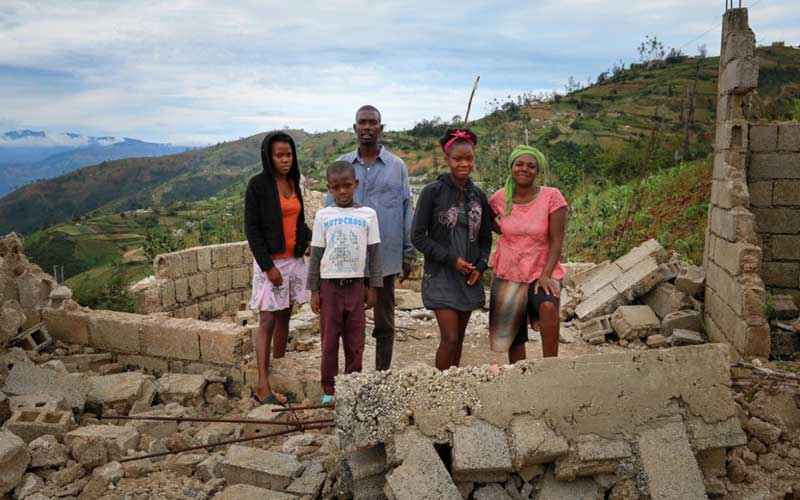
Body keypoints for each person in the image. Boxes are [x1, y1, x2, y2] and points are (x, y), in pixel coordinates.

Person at [333, 105, 416, 371]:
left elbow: (406, 209)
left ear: (380, 127)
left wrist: (408, 253)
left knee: (384, 320)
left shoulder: (397, 166)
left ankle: (382, 374)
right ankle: (353, 375)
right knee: (349, 320)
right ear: (355, 128)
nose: (367, 127)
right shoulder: (343, 165)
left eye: (372, 122)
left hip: (385, 258)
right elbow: (329, 211)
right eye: (362, 122)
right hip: (349, 259)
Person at [411, 129, 492, 370]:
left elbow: (485, 237)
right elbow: (417, 237)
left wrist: (481, 266)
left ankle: (454, 384)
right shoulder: (432, 192)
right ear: (447, 160)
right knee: (450, 338)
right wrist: (451, 259)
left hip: (468, 277)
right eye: (457, 159)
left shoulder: (478, 195)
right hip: (440, 275)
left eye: (469, 158)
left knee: (459, 340)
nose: (464, 164)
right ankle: (439, 386)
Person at [244, 131, 312, 406]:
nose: (285, 160)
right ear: (268, 157)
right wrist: (268, 267)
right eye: (279, 155)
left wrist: (308, 240)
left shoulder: (293, 182)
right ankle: (263, 386)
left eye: (289, 154)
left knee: (285, 316)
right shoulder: (258, 186)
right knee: (267, 320)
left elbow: (298, 221)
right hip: (271, 262)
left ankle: (279, 370)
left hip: (293, 261)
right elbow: (252, 230)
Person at [308, 161, 383, 401]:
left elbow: (374, 255)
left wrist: (373, 287)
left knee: (356, 341)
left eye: (347, 186)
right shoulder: (323, 216)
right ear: (329, 188)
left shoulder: (368, 215)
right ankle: (329, 390)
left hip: (356, 286)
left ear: (356, 184)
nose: (342, 191)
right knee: (329, 342)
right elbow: (316, 254)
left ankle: (352, 387)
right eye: (336, 187)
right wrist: (314, 290)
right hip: (329, 287)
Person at [488, 145, 568, 362]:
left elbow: (557, 241)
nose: (524, 169)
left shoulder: (552, 197)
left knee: (548, 305)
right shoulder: (500, 197)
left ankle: (551, 367)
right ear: (511, 167)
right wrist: (504, 231)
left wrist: (546, 275)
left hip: (542, 270)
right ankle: (520, 372)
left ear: (538, 170)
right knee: (513, 334)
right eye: (519, 164)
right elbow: (486, 219)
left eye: (531, 166)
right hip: (508, 272)